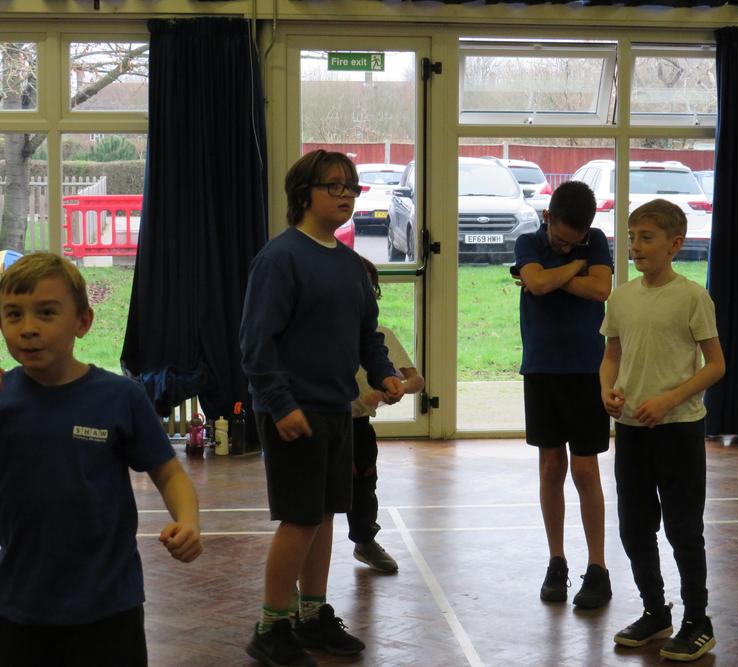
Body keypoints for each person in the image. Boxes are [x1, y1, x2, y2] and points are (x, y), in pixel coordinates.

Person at [240, 150, 404, 667]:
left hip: (339, 411)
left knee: (325, 515)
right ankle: (271, 626)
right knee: (299, 519)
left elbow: (367, 337)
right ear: (303, 195)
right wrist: (280, 404)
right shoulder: (280, 259)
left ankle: (311, 615)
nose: (345, 194)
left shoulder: (351, 266)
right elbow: (256, 344)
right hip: (294, 413)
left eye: (351, 186)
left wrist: (384, 374)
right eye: (333, 185)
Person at [0, 252, 203, 667]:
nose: (28, 328)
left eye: (46, 313)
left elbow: (169, 473)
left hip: (109, 605)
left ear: (83, 322)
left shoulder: (121, 397)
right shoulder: (3, 398)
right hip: (19, 604)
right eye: (13, 314)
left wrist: (188, 520)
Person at [599, 199, 725, 662]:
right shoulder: (621, 297)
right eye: (632, 237)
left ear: (675, 245)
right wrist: (607, 390)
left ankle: (697, 621)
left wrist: (670, 399)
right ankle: (656, 611)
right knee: (635, 528)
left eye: (646, 238)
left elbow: (715, 365)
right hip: (632, 431)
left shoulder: (692, 297)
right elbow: (612, 356)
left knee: (683, 529)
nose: (635, 246)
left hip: (679, 430)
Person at [513, 180, 614, 609]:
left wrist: (551, 276)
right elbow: (536, 284)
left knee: (586, 471)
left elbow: (601, 290)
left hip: (588, 372)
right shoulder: (527, 241)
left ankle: (598, 567)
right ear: (547, 217)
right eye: (559, 239)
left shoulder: (598, 241)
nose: (566, 246)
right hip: (542, 371)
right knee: (552, 467)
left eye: (575, 243)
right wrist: (576, 268)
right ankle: (557, 561)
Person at [348, 257, 425, 574]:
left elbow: (417, 381)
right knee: (316, 495)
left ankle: (365, 541)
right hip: (324, 422)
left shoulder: (381, 336)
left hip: (359, 425)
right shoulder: (326, 335)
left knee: (364, 486)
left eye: (369, 289)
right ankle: (301, 562)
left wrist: (393, 390)